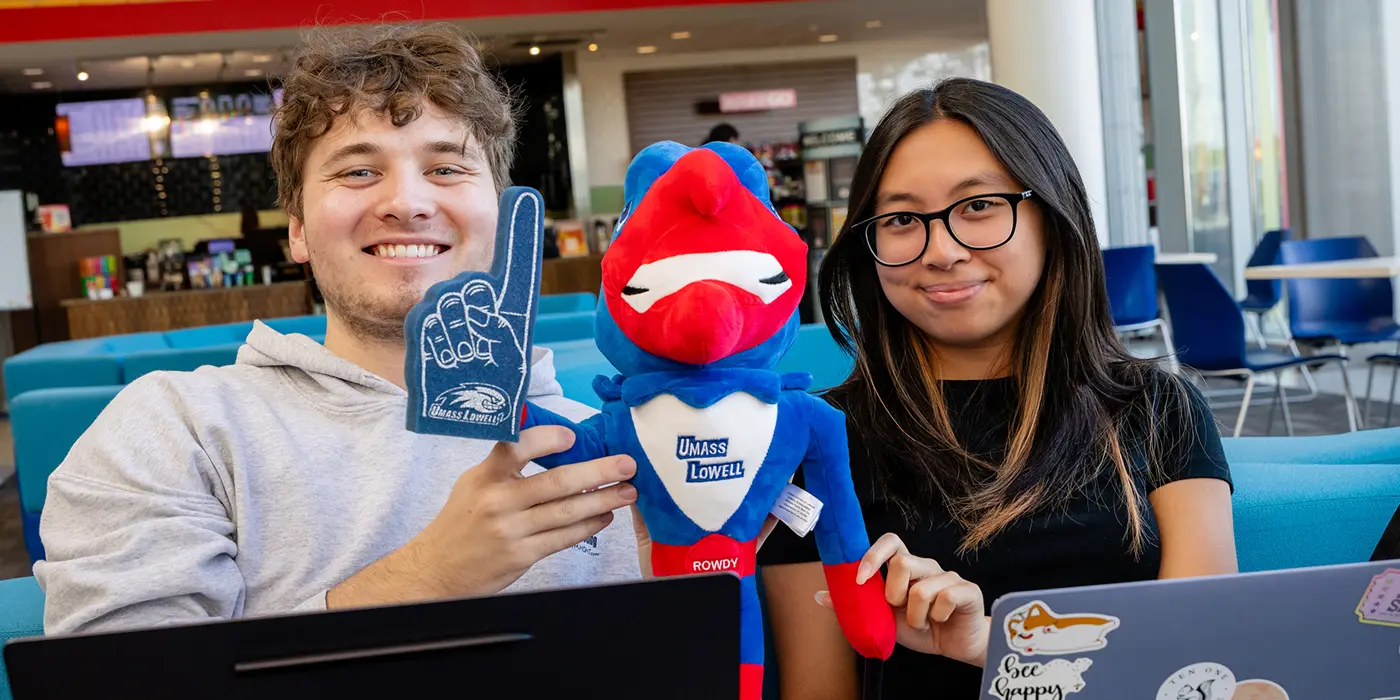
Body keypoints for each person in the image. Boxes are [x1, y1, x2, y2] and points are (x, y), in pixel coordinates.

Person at [34, 23, 645, 634]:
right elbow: (121, 687)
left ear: (504, 215)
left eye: (447, 168)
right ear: (296, 228)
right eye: (357, 172)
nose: (407, 203)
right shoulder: (179, 427)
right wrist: (429, 577)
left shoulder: (620, 440)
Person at [757, 78, 1237, 698]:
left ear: (1051, 213)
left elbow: (1204, 671)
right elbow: (819, 692)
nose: (942, 250)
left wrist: (995, 647)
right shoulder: (815, 442)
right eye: (902, 219)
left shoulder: (1156, 408)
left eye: (979, 206)